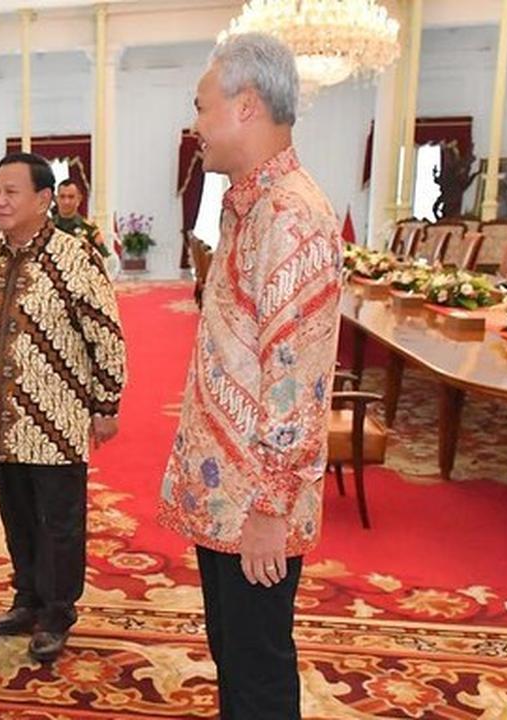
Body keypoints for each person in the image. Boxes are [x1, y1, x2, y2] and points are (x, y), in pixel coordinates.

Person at [157, 33, 343, 719]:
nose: (195, 124)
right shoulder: (249, 204)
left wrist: (269, 508)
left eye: (202, 107)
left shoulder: (292, 216)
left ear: (246, 105)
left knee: (259, 669)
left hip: (256, 505)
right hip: (227, 493)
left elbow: (298, 379)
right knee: (234, 654)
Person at [0, 152, 126, 664]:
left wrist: (106, 401)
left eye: (10, 192)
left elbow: (105, 334)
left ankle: (58, 610)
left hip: (56, 420)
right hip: (1, 420)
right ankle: (27, 598)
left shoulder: (76, 258)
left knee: (59, 522)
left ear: (44, 200)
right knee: (17, 515)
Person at [51, 179, 108, 257]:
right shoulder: (47, 226)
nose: (66, 201)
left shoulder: (89, 229)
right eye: (62, 196)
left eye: (71, 197)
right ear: (56, 199)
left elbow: (103, 256)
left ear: (79, 199)